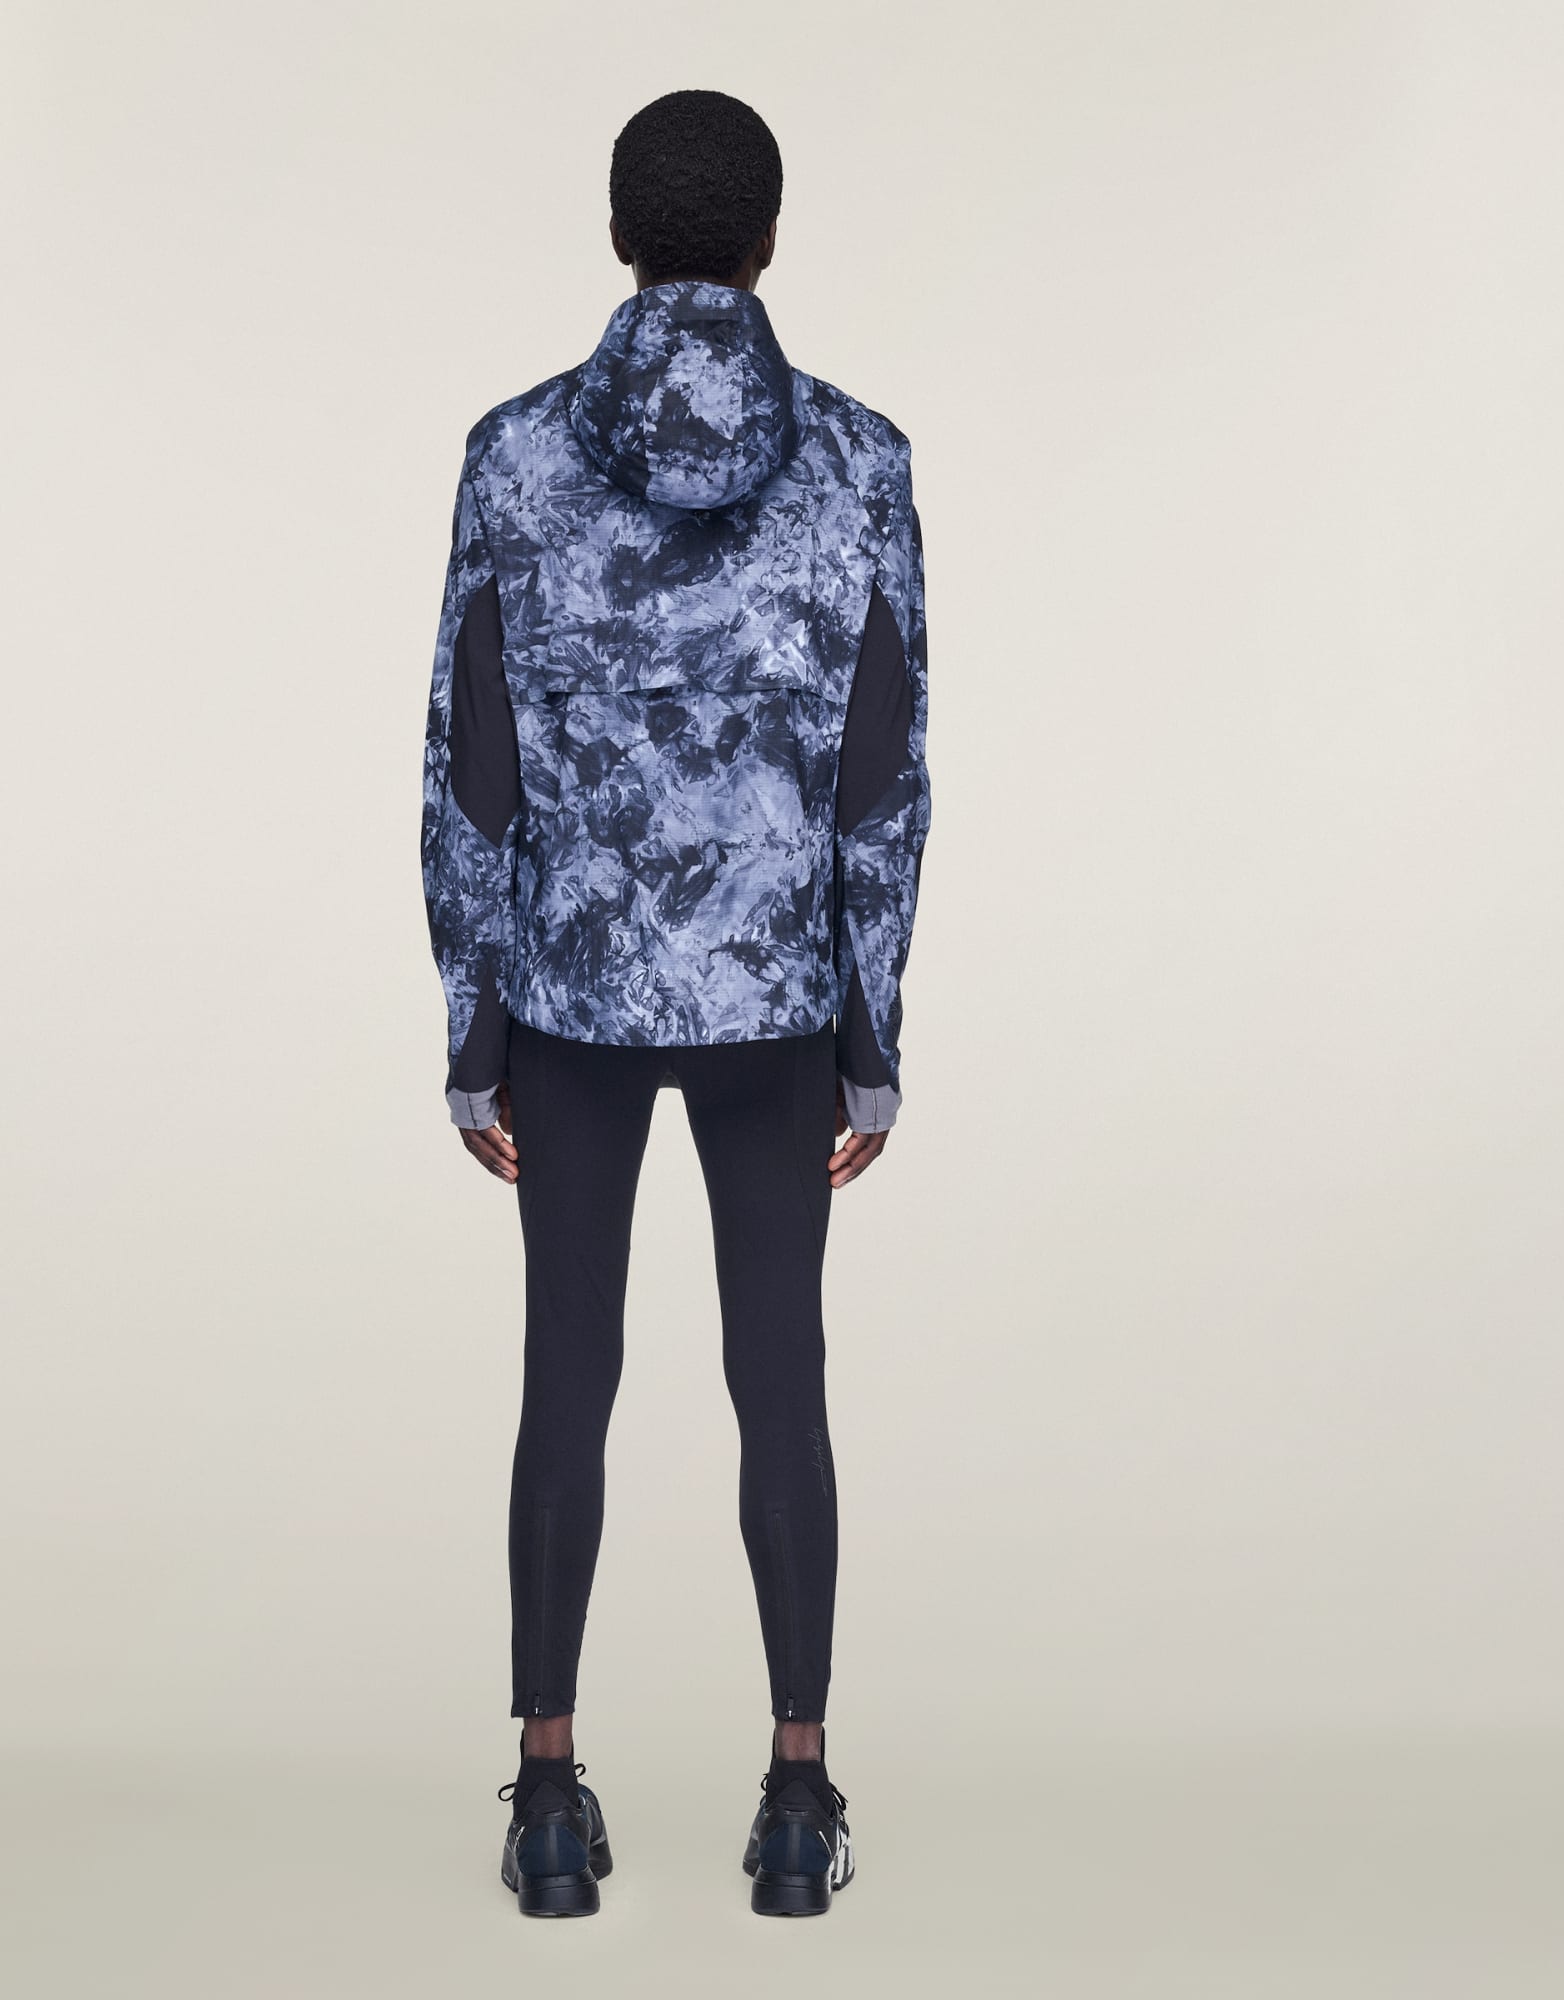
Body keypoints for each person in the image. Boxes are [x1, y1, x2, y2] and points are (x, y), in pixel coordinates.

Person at [419, 87, 929, 1918]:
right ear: (768, 241)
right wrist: (870, 1036)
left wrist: (475, 1021)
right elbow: (882, 773)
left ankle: (551, 1802)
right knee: (780, 1378)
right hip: (778, 997)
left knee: (567, 1376)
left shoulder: (511, 455)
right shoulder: (861, 461)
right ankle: (795, 1803)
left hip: (569, 992)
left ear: (620, 239)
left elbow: (473, 761)